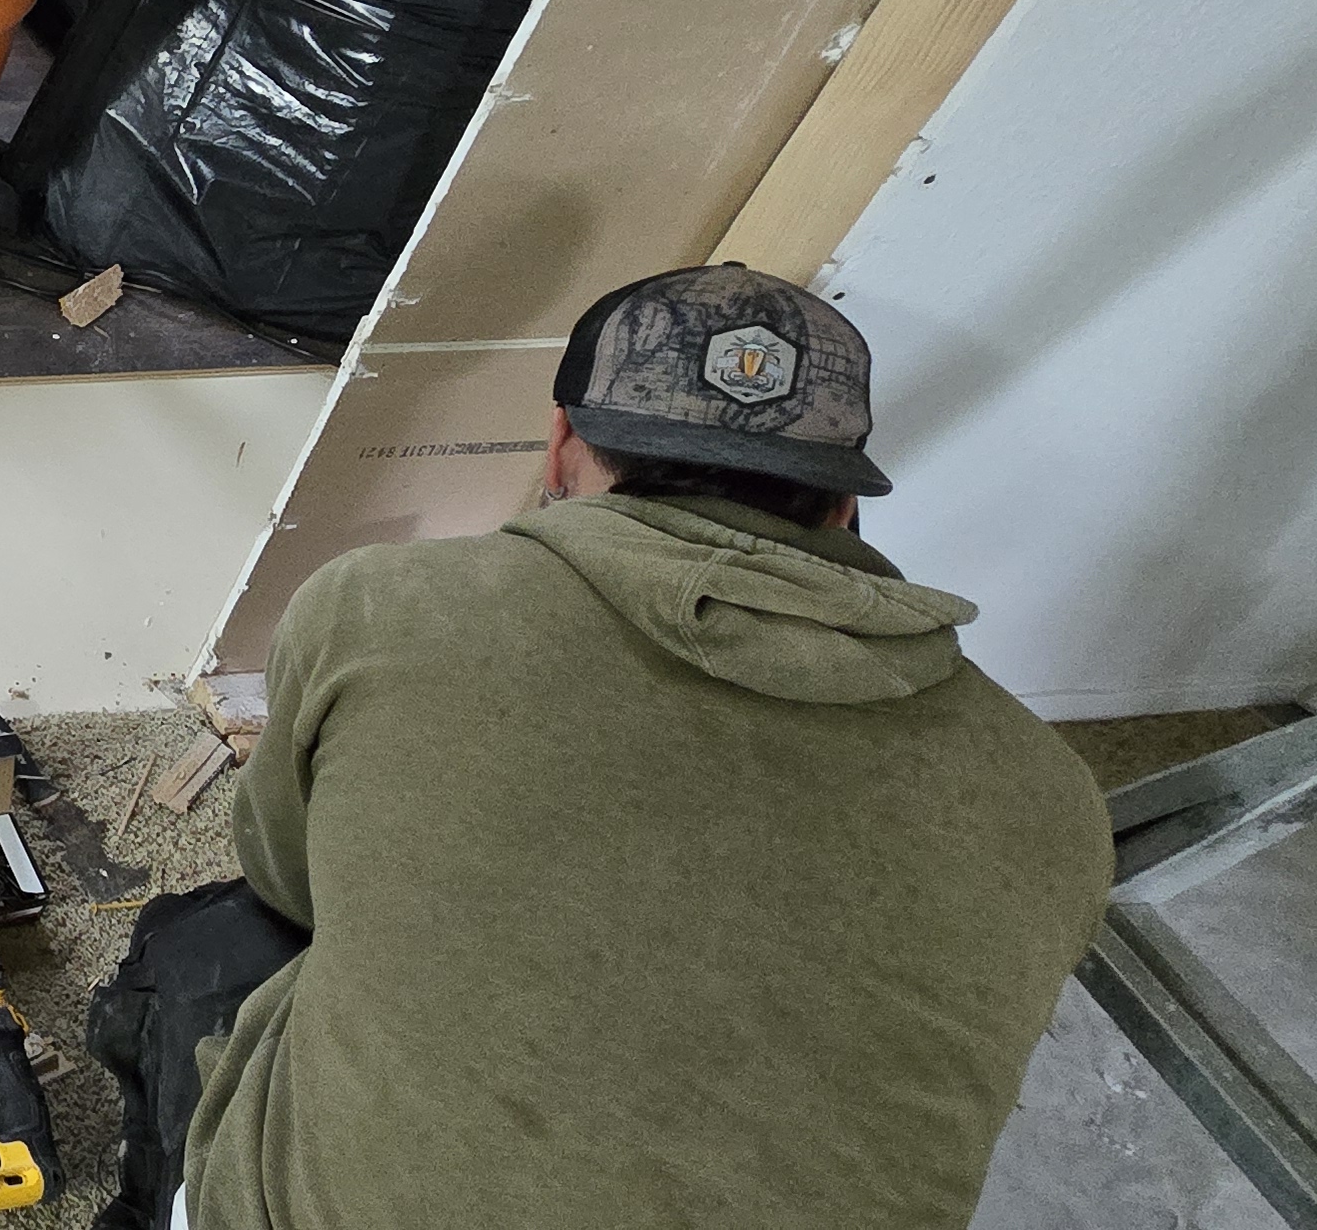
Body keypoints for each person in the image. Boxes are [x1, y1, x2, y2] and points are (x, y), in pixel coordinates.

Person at [89, 264, 1110, 1230]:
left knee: (212, 938)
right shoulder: (1053, 795)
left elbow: (290, 878)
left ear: (561, 446)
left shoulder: (388, 605)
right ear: (841, 504)